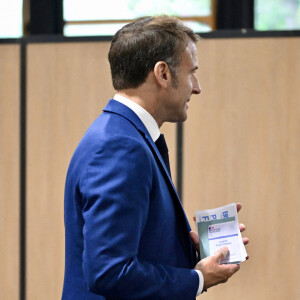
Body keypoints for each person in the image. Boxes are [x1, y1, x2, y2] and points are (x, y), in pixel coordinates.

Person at [62, 15, 249, 299]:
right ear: (163, 73)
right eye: (191, 72)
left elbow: (130, 251)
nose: (196, 87)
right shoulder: (120, 147)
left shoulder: (122, 136)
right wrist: (197, 279)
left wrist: (189, 254)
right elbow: (109, 271)